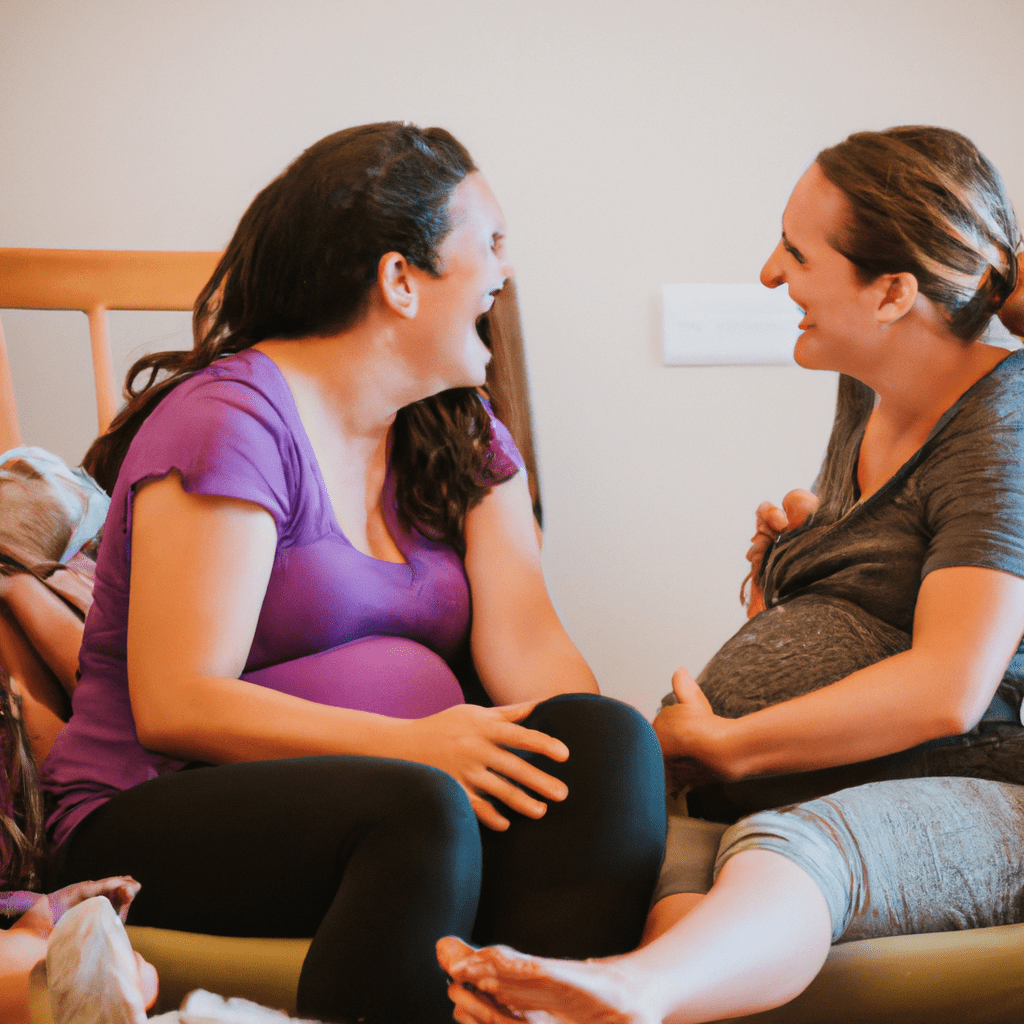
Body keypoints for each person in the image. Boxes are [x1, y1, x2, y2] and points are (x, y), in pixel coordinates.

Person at [36, 123, 666, 1024]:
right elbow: (179, 702)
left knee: (607, 750)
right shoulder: (233, 421)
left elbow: (537, 659)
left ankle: (521, 1007)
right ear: (399, 279)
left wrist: (582, 768)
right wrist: (422, 744)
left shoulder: (458, 434)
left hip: (410, 804)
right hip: (160, 806)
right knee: (419, 810)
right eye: (487, 243)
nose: (505, 271)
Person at [437, 124, 1024, 1023]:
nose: (768, 275)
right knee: (669, 850)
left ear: (893, 293)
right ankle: (613, 999)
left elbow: (951, 685)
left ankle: (634, 992)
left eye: (797, 252)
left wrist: (732, 743)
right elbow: (878, 602)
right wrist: (793, 571)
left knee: (788, 843)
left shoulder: (1004, 427)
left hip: (991, 795)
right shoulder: (870, 385)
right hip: (806, 774)